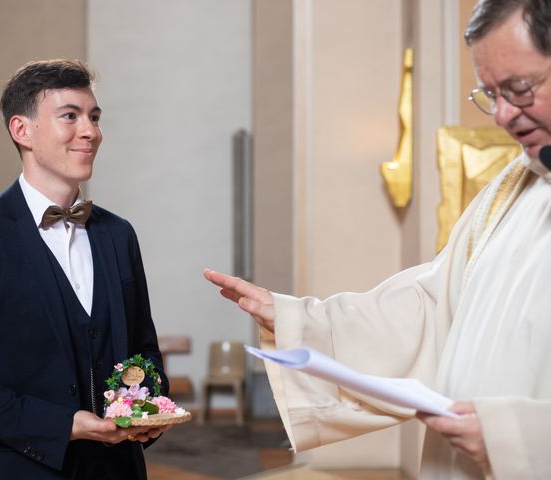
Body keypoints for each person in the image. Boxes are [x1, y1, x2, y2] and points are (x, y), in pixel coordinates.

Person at [204, 1, 551, 478]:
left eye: (519, 88)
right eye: (490, 94)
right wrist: (301, 320)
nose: (505, 116)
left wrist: (519, 437)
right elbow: (435, 308)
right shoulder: (516, 186)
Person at [0, 59, 169, 480]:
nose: (90, 131)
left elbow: (142, 351)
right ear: (22, 131)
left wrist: (145, 410)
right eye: (70, 116)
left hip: (118, 472)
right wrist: (64, 425)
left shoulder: (119, 234)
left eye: (93, 117)